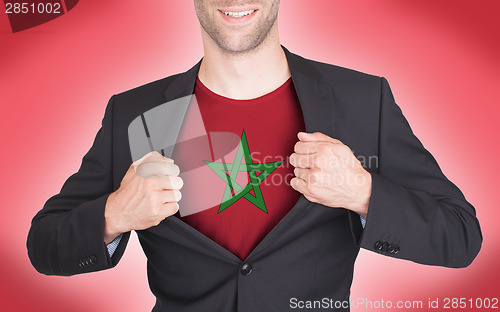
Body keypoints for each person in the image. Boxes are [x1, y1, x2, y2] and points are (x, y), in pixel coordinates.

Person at [27, 1, 482, 311]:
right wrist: (114, 214)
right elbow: (44, 245)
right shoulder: (135, 113)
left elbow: (461, 236)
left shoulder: (362, 100)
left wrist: (363, 192)